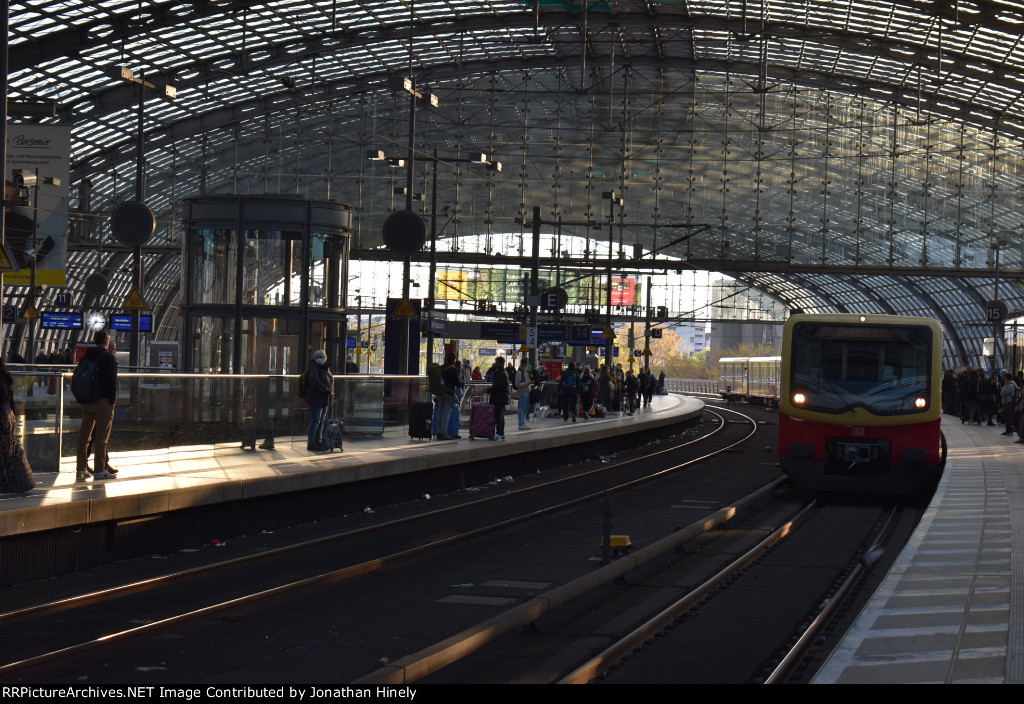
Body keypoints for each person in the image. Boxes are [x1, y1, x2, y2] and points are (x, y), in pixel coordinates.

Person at [75, 330, 118, 481]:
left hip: (87, 401)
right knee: (101, 437)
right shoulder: (108, 357)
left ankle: (81, 469)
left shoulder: (87, 355)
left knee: (84, 436)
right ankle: (100, 470)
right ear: (106, 342)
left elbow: (77, 375)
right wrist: (111, 400)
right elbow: (112, 382)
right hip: (103, 402)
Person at [0, 356, 34, 493]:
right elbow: (11, 400)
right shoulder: (6, 376)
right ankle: (7, 483)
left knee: (2, 454)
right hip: (8, 416)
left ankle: (4, 483)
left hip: (1, 417)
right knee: (7, 452)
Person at [304, 349, 334, 451]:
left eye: (322, 357)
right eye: (318, 357)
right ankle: (311, 442)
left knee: (321, 420)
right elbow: (315, 381)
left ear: (325, 358)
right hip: (315, 398)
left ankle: (318, 441)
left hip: (324, 397)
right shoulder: (314, 368)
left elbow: (329, 380)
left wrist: (329, 391)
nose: (320, 359)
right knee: (315, 420)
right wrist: (326, 389)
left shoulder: (325, 368)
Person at [436, 352, 462, 441]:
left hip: (440, 393)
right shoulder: (452, 369)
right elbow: (457, 383)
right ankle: (443, 432)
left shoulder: (442, 367)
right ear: (454, 360)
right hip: (448, 393)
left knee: (440, 412)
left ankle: (439, 431)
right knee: (446, 413)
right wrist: (462, 383)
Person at [488, 356, 509, 440]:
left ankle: (499, 433)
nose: (495, 364)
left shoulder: (501, 374)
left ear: (500, 363)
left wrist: (488, 390)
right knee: (500, 415)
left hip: (499, 397)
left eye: (497, 363)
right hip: (501, 397)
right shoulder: (501, 373)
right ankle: (501, 433)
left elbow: (497, 387)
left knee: (498, 415)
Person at [515, 358, 532, 430]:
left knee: (525, 408)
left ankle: (523, 423)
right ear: (524, 364)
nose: (528, 365)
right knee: (522, 408)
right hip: (523, 392)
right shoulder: (519, 373)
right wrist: (526, 384)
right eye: (527, 363)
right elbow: (517, 384)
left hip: (527, 391)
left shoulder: (526, 372)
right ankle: (521, 423)